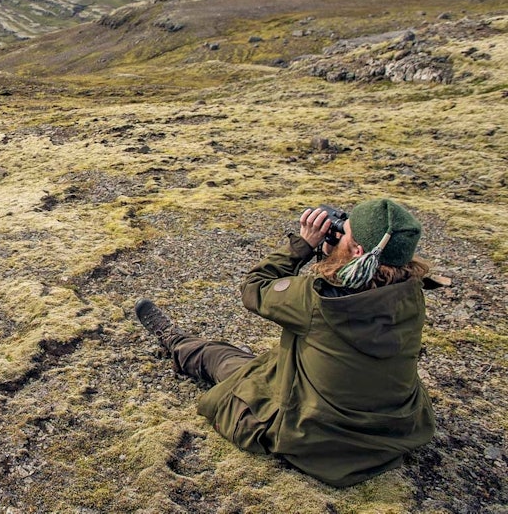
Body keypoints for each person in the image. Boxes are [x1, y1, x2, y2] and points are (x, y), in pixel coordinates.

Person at [135, 198, 440, 487]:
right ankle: (183, 344)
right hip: (391, 428)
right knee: (271, 363)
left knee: (226, 362)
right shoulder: (412, 293)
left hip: (321, 436)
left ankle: (174, 341)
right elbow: (358, 286)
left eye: (345, 232)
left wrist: (304, 245)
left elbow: (254, 288)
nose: (338, 231)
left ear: (358, 253)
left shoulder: (316, 299)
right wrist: (336, 255)